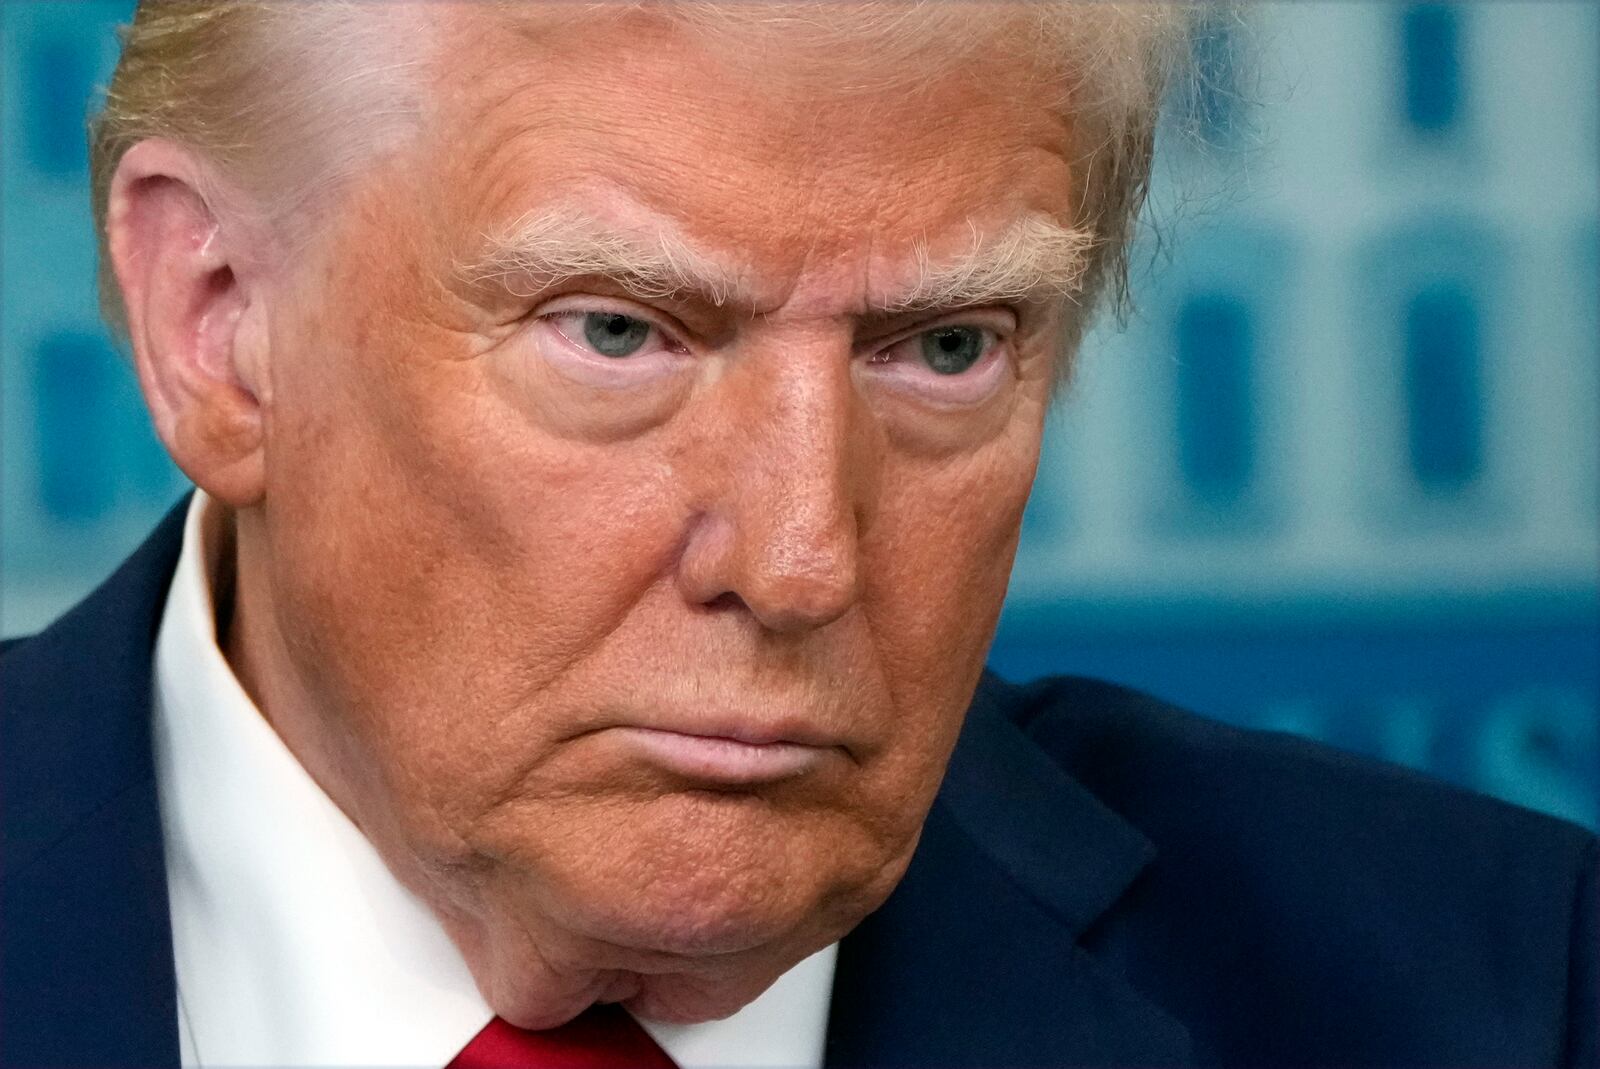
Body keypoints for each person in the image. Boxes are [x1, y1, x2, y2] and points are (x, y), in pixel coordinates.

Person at [2, 3, 1595, 1067]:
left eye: (946, 346)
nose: (799, 560)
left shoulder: (1504, 994)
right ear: (216, 323)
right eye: (619, 332)